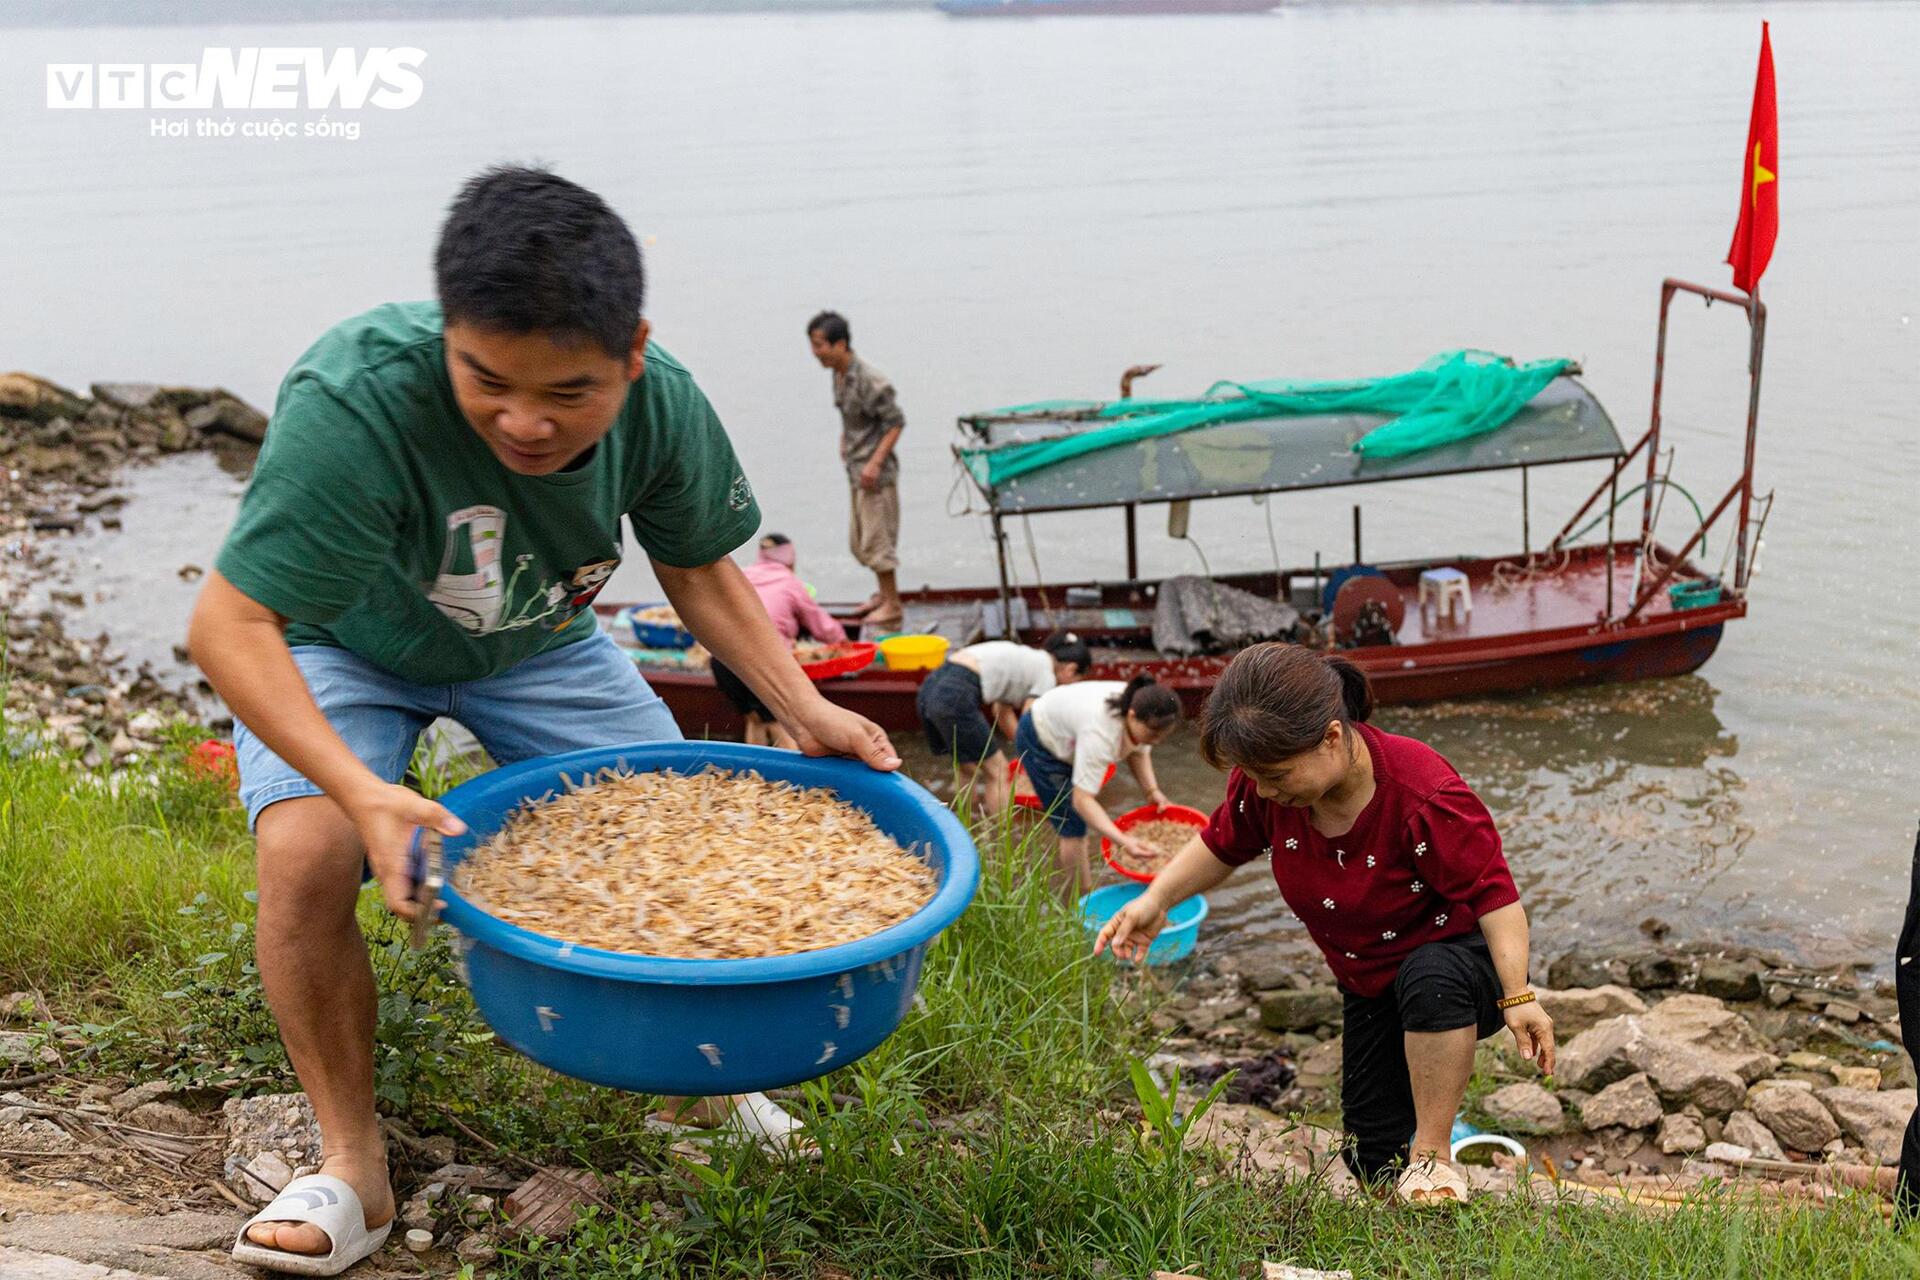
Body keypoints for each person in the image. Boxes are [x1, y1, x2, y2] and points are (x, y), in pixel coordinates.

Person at [191, 166, 899, 1273]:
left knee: (675, 828)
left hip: (541, 636)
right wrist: (371, 793)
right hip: (345, 638)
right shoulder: (357, 394)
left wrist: (804, 705)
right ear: (446, 337)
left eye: (567, 393)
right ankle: (350, 1163)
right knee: (306, 851)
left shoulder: (663, 398)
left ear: (630, 351)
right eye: (486, 380)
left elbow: (697, 565)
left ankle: (706, 1087)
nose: (524, 421)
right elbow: (232, 623)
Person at [1094, 643, 1554, 1206]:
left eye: (1276, 774)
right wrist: (1157, 899)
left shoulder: (1420, 794)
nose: (1263, 789)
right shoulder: (1267, 787)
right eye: (1252, 775)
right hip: (1366, 978)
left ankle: (1435, 1158)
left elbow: (1495, 895)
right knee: (1369, 1154)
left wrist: (1517, 995)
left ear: (1331, 738)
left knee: (1431, 978)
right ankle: (1407, 1208)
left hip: (1461, 963)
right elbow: (1222, 843)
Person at [1015, 674, 1181, 895]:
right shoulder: (1101, 733)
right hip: (1040, 737)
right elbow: (1081, 800)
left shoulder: (1142, 703)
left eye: (1164, 735)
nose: (1158, 740)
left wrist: (1152, 792)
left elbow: (1139, 751)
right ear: (1131, 716)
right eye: (1153, 733)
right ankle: (1081, 896)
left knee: (1081, 807)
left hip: (1068, 728)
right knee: (1072, 823)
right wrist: (1123, 840)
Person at [916, 632, 1092, 816]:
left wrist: (1025, 754)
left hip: (930, 689)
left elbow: (1001, 711)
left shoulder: (1028, 659)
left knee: (966, 765)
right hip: (955, 693)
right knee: (999, 772)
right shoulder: (1046, 675)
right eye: (1076, 681)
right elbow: (1030, 720)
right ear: (1070, 669)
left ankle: (967, 822)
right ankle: (1001, 835)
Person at [806, 310, 904, 630]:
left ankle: (893, 605)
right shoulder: (838, 375)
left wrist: (875, 463)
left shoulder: (870, 381)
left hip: (875, 474)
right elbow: (854, 418)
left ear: (841, 344)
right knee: (860, 542)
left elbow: (895, 423)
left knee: (878, 543)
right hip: (856, 467)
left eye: (820, 345)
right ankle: (882, 594)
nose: (815, 352)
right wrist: (844, 439)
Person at [710, 533, 848, 750]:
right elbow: (821, 625)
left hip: (722, 661)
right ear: (791, 559)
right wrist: (843, 643)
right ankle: (796, 779)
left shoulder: (743, 575)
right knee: (780, 723)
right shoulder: (790, 581)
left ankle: (754, 774)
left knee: (755, 718)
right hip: (762, 662)